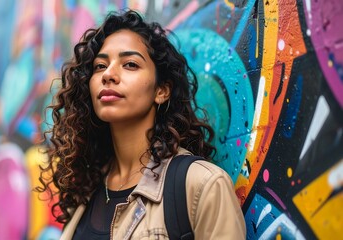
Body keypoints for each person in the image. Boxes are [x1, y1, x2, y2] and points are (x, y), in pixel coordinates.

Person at [38, 9, 246, 239]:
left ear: (161, 90)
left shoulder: (202, 185)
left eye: (130, 64)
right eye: (100, 66)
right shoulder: (86, 191)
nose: (109, 74)